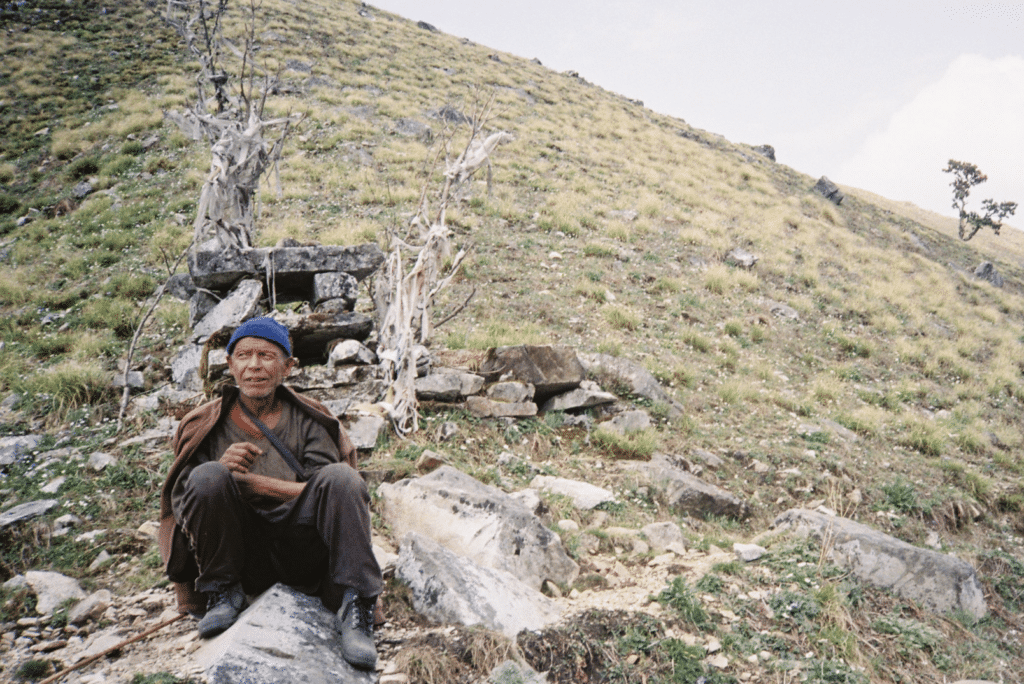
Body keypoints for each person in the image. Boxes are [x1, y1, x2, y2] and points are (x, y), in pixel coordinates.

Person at [157, 317, 383, 669]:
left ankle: (356, 607)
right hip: (240, 555)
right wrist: (220, 472)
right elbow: (183, 504)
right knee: (206, 476)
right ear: (230, 364)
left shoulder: (310, 419)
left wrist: (253, 484)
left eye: (266, 355)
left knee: (342, 478)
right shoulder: (204, 425)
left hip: (302, 550)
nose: (254, 366)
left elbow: (330, 494)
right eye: (244, 355)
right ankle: (223, 592)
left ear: (288, 367)